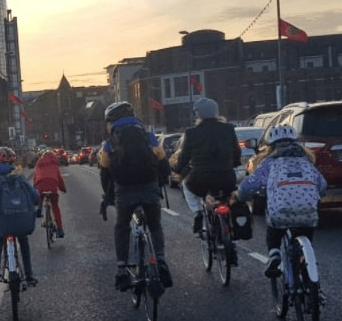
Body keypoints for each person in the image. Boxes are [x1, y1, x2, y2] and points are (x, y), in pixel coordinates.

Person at [97, 101, 173, 291]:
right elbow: (162, 162)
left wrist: (108, 196)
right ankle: (161, 261)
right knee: (155, 226)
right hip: (149, 187)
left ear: (112, 121)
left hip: (125, 191)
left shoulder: (110, 142)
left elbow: (105, 172)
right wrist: (161, 182)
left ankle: (122, 269)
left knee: (122, 227)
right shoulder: (147, 137)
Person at [237, 124, 327, 278]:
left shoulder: (269, 163)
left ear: (271, 146)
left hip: (280, 214)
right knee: (306, 231)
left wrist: (241, 197)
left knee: (274, 230)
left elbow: (248, 186)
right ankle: (308, 266)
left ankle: (274, 254)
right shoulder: (305, 162)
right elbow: (322, 185)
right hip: (308, 213)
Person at [172, 98, 243, 264]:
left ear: (198, 114)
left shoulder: (191, 133)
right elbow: (236, 151)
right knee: (227, 200)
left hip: (200, 179)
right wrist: (233, 163)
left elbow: (184, 158)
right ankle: (229, 237)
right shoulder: (228, 128)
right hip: (226, 177)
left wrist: (177, 168)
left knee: (186, 185)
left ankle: (197, 213)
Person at [0, 146, 39, 284]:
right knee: (23, 241)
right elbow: (33, 194)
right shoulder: (18, 175)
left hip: (2, 217)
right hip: (21, 216)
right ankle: (29, 275)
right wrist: (35, 204)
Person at [32, 150, 67, 238]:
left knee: (41, 195)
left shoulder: (38, 164)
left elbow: (35, 178)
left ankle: (39, 209)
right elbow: (59, 180)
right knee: (55, 207)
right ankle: (60, 229)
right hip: (52, 187)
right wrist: (63, 189)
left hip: (41, 186)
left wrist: (34, 187)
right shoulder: (54, 165)